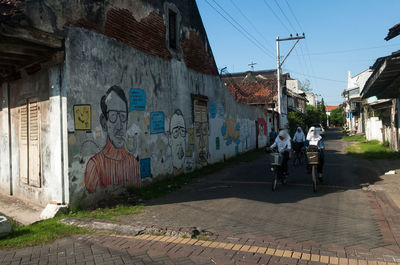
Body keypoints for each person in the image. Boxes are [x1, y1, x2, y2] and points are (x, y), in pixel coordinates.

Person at [84, 85, 141, 193]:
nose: (119, 125)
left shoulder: (133, 163)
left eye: (123, 116)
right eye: (113, 116)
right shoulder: (95, 167)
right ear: (104, 123)